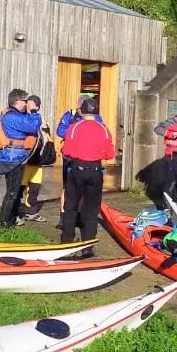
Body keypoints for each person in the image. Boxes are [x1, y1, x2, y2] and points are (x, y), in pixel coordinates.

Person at [60, 98, 115, 258]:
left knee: (70, 205)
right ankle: (88, 246)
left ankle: (66, 242)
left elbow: (67, 151)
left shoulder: (74, 127)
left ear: (82, 111)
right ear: (96, 111)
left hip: (76, 168)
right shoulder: (103, 129)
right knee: (91, 208)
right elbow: (110, 154)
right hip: (96, 170)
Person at [55, 95, 105, 229]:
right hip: (70, 158)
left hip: (90, 159)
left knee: (86, 189)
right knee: (67, 188)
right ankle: (63, 218)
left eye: (81, 104)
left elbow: (102, 132)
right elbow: (59, 130)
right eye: (79, 103)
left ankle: (81, 217)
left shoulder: (97, 117)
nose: (79, 106)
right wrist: (77, 135)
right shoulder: (69, 115)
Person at [0, 89, 41, 228]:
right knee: (12, 192)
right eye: (25, 101)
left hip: (14, 156)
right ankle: (4, 223)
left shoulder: (13, 115)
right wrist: (33, 111)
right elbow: (33, 126)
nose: (27, 104)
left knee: (13, 191)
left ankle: (10, 219)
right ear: (18, 101)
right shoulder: (12, 117)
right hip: (13, 158)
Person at [18, 96, 54, 223]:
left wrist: (47, 157)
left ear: (37, 107)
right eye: (27, 104)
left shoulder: (42, 121)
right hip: (25, 160)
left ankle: (30, 212)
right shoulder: (22, 119)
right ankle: (16, 213)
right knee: (20, 187)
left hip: (37, 161)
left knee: (34, 188)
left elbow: (47, 140)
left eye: (31, 105)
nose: (27, 106)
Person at [153, 107, 177, 208]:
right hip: (172, 155)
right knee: (171, 181)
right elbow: (157, 129)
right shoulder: (173, 122)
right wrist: (170, 135)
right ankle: (166, 204)